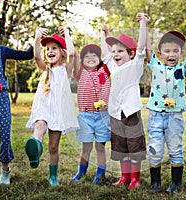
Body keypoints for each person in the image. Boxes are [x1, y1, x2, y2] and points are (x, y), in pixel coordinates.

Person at [100, 13, 150, 190]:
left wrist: (143, 24)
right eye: (114, 51)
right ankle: (124, 177)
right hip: (115, 112)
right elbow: (105, 52)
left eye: (120, 51)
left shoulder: (135, 65)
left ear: (131, 53)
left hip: (131, 112)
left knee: (134, 147)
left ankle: (135, 179)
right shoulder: (112, 66)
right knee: (121, 147)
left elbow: (142, 45)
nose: (115, 54)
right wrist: (104, 35)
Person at [25, 26, 79, 187]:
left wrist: (67, 34)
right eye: (47, 48)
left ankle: (53, 176)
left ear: (61, 51)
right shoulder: (45, 69)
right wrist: (36, 38)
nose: (50, 51)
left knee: (53, 147)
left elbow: (72, 53)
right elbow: (36, 56)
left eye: (54, 48)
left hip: (58, 112)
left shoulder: (66, 70)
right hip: (43, 109)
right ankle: (35, 148)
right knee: (39, 126)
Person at [145, 28, 186, 193]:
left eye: (175, 50)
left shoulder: (182, 69)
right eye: (167, 51)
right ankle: (155, 183)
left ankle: (176, 183)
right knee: (155, 149)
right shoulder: (155, 65)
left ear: (181, 52)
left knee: (175, 149)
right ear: (160, 53)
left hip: (175, 116)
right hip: (156, 115)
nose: (171, 54)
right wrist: (144, 24)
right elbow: (146, 48)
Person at [0, 13, 33, 185]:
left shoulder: (2, 51)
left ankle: (5, 171)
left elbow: (26, 55)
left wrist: (35, 39)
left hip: (0, 99)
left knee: (3, 136)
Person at [71, 44, 110, 184]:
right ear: (82, 61)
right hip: (85, 116)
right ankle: (81, 172)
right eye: (87, 56)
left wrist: (104, 35)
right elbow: (73, 54)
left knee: (100, 147)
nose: (91, 57)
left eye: (94, 55)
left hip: (102, 117)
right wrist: (67, 34)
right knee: (86, 147)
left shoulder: (104, 72)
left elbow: (108, 54)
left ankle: (100, 174)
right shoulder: (80, 73)